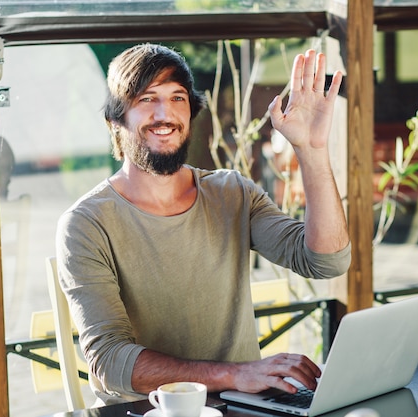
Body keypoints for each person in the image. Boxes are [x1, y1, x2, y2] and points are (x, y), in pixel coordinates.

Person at [55, 43, 351, 405]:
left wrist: (312, 150)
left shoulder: (232, 192)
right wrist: (237, 374)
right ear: (115, 119)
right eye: (147, 98)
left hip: (241, 406)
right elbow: (111, 362)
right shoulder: (85, 224)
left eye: (177, 97)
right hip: (146, 412)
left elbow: (326, 261)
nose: (165, 113)